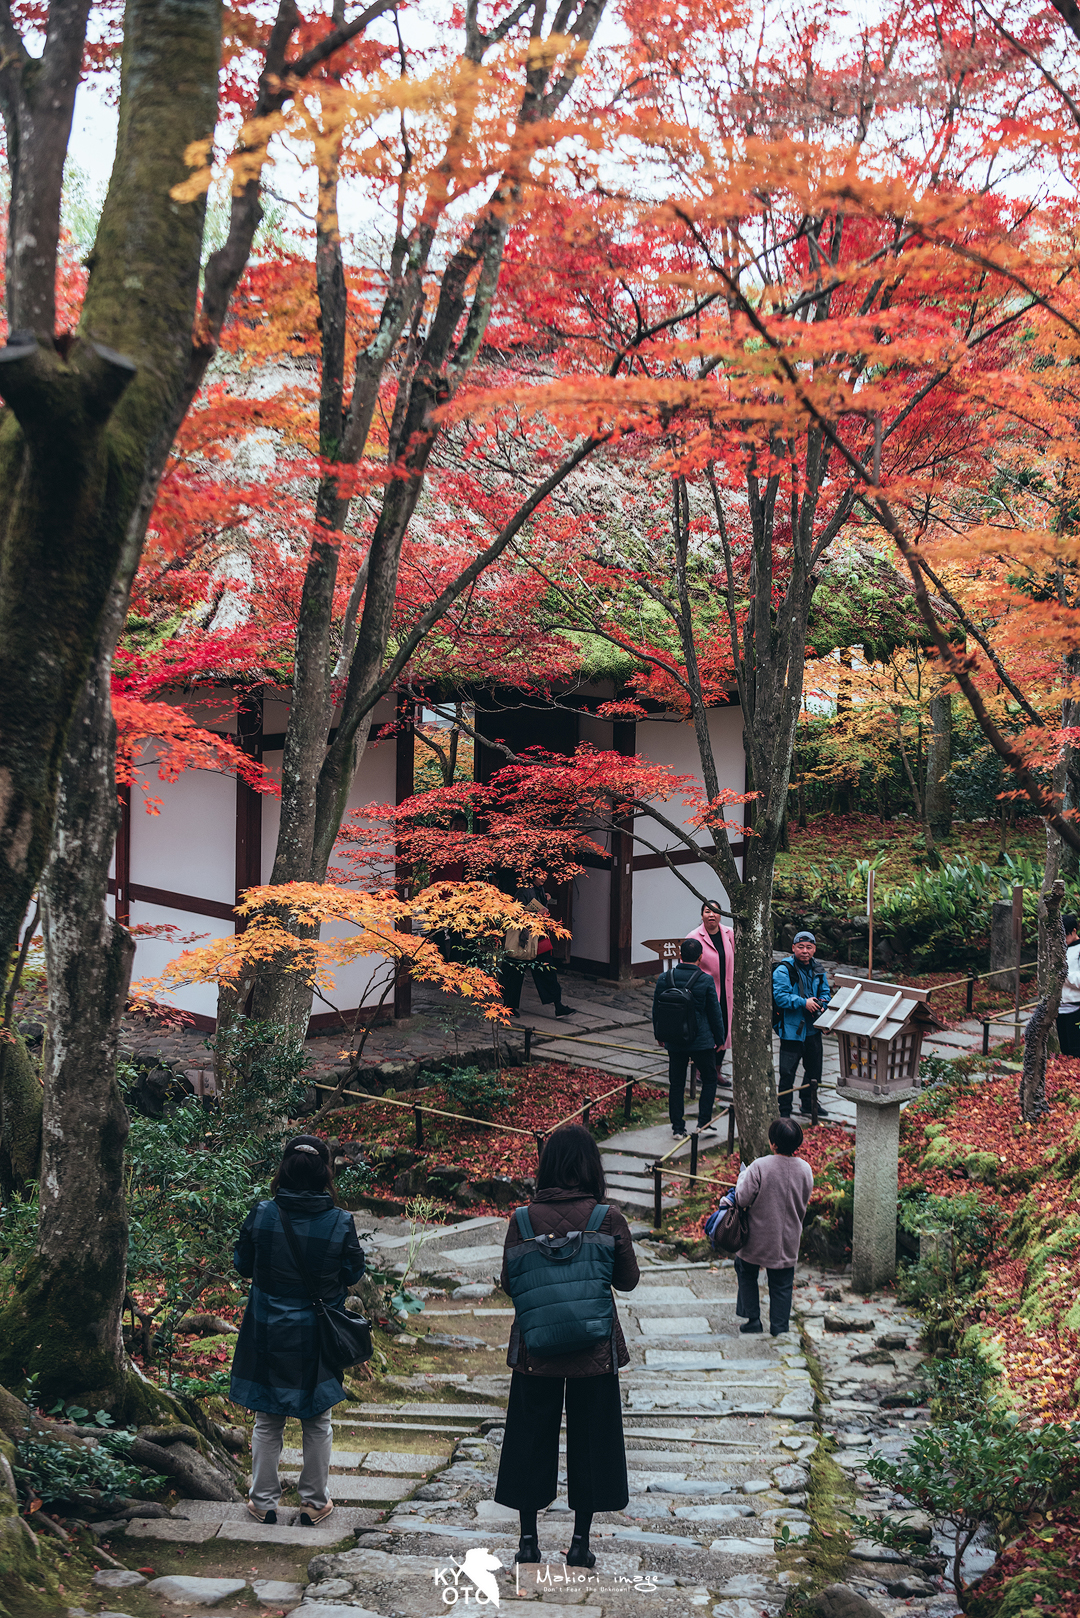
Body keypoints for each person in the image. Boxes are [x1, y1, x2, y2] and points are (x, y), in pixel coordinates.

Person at [495, 1125, 640, 1568]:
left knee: (529, 1438)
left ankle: (527, 1541)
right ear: (590, 1167)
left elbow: (509, 1283)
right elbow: (628, 1281)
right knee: (592, 1441)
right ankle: (579, 1542)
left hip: (535, 1349)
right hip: (593, 1352)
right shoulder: (608, 1218)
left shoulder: (521, 1221)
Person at [230, 1135, 365, 1527]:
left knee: (267, 1419)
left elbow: (243, 1264)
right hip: (316, 1335)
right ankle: (314, 1503)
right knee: (317, 1419)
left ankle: (263, 1502)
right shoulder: (341, 1222)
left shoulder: (262, 1214)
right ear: (325, 1174)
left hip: (267, 1331)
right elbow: (354, 1273)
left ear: (284, 1170)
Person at [733, 1117, 813, 1336]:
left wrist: (742, 1177)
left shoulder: (760, 1166)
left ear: (773, 1143)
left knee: (745, 1270)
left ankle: (752, 1320)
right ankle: (779, 1327)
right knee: (782, 1284)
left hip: (757, 1236)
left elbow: (742, 1198)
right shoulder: (805, 1169)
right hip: (788, 1237)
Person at [653, 938, 726, 1138]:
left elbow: (656, 1009)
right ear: (701, 957)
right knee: (710, 1078)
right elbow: (714, 1012)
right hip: (701, 1040)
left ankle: (678, 1127)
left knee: (676, 1083)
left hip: (674, 1039)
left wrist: (659, 1034)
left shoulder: (664, 978)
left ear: (680, 956)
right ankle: (703, 1122)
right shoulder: (705, 980)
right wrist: (720, 1038)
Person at [772, 930, 832, 1120]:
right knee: (787, 1072)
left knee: (814, 1070)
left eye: (809, 947)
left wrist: (822, 1004)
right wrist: (803, 1002)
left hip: (813, 1028)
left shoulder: (818, 969)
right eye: (801, 947)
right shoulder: (784, 970)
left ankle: (809, 1104)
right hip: (791, 1030)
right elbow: (780, 997)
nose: (805, 951)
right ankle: (784, 1109)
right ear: (793, 948)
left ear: (814, 949)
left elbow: (826, 994)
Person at [499, 884, 575, 1019]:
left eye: (544, 875)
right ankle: (509, 1006)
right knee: (514, 973)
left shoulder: (540, 891)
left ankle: (558, 1005)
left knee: (547, 971)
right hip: (523, 939)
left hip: (538, 938)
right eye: (539, 875)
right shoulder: (522, 891)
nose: (543, 877)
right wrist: (535, 914)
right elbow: (516, 914)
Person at [688, 900, 735, 1075]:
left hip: (726, 992)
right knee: (707, 1030)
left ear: (720, 915)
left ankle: (717, 1070)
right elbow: (689, 967)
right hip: (705, 993)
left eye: (715, 911)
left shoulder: (729, 933)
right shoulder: (694, 937)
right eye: (707, 911)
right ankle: (702, 1069)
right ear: (702, 916)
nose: (711, 914)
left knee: (723, 1028)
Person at [1057, 912, 1080, 1057]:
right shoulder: (1059, 949)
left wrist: (1064, 974)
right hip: (1060, 1009)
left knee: (1076, 1050)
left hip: (1076, 1008)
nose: (1063, 940)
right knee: (1065, 1050)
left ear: (1074, 931)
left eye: (1065, 936)